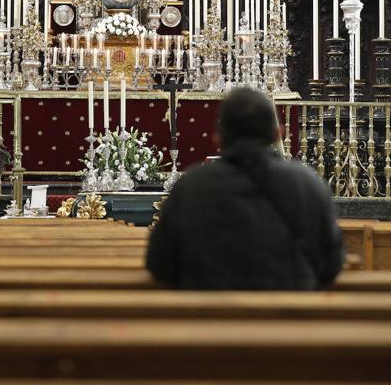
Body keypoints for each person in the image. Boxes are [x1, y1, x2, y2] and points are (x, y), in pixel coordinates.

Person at [147, 86, 343, 290]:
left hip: (209, 317)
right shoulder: (307, 184)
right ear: (278, 134)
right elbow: (331, 264)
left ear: (218, 138)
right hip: (288, 316)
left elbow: (160, 265)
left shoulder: (189, 187)